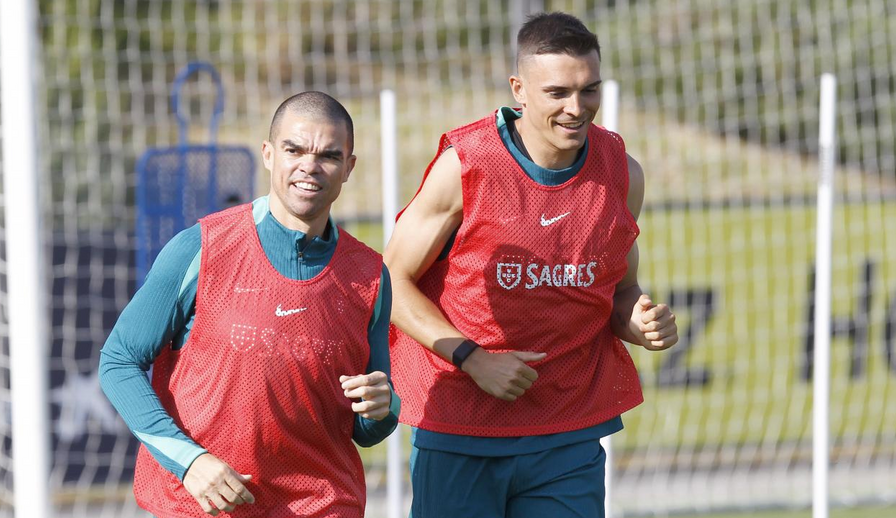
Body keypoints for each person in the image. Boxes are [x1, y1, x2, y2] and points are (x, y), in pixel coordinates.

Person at [385, 12, 678, 518]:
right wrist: (473, 359)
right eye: (558, 92)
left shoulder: (622, 173)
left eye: (589, 91)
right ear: (519, 89)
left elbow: (619, 289)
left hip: (568, 430)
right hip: (462, 426)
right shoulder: (466, 164)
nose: (576, 108)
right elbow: (390, 280)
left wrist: (640, 319)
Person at [100, 91, 399, 518]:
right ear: (268, 154)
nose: (309, 166)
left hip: (323, 506)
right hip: (200, 505)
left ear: (349, 168)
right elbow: (118, 361)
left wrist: (383, 409)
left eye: (329, 155)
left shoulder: (370, 276)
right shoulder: (201, 247)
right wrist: (189, 461)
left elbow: (367, 427)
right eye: (294, 149)